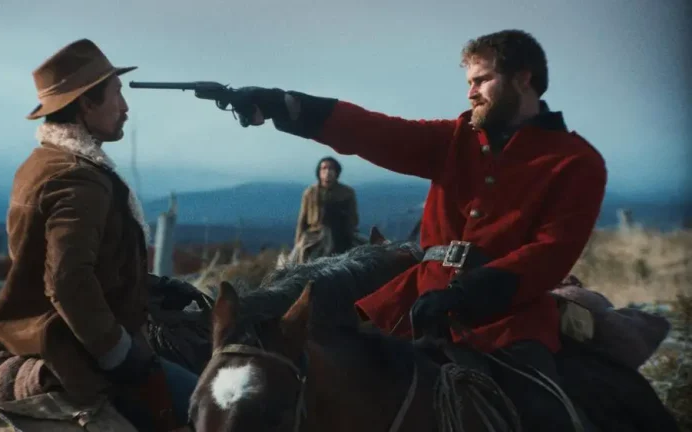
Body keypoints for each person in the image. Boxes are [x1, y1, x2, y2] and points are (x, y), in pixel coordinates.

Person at [219, 29, 607, 431]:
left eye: (481, 80)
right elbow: (375, 132)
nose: (471, 93)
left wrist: (465, 294)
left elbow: (549, 253)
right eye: (469, 82)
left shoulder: (576, 161)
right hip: (411, 306)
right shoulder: (454, 138)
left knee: (543, 413)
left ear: (523, 79)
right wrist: (282, 104)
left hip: (508, 323)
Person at [0, 39, 204, 431]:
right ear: (86, 104)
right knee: (212, 406)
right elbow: (67, 281)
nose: (125, 107)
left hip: (48, 329)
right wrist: (119, 354)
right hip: (71, 346)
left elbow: (85, 263)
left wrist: (152, 286)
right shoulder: (77, 178)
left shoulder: (43, 162)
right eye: (116, 94)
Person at [291, 156, 360, 263]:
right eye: (324, 168)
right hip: (314, 236)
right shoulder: (310, 193)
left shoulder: (347, 193)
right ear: (319, 172)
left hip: (342, 234)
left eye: (331, 168)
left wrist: (348, 232)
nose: (327, 172)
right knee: (298, 259)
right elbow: (302, 220)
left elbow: (353, 218)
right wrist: (298, 241)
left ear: (336, 172)